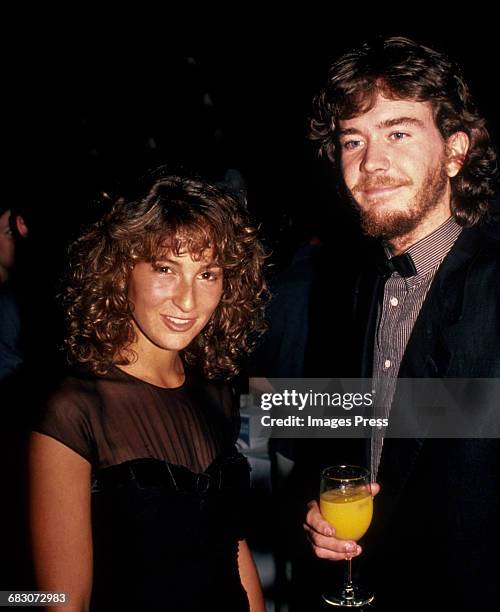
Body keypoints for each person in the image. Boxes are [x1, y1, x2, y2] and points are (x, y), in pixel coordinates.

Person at [303, 37, 500, 610]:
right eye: (353, 140)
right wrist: (319, 509)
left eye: (398, 132)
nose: (371, 162)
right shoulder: (359, 284)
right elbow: (350, 425)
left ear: (456, 151)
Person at [29, 174, 268, 612]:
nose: (188, 301)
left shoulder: (215, 393)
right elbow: (62, 601)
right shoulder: (74, 411)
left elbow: (233, 548)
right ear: (121, 271)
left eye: (207, 274)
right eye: (165, 269)